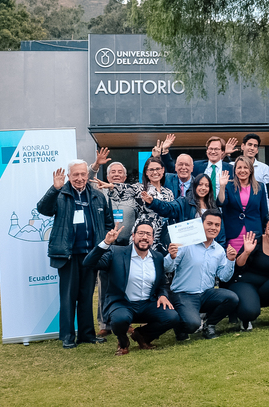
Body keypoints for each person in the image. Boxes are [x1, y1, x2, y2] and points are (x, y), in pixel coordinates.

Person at [37, 160, 114, 349]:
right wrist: (54, 189)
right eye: (75, 175)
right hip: (69, 255)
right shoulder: (61, 194)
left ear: (87, 176)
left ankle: (87, 334)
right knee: (68, 297)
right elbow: (43, 209)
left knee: (87, 296)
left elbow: (108, 222)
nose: (79, 178)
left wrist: (103, 241)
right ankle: (67, 336)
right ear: (69, 176)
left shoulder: (97, 196)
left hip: (91, 255)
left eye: (82, 174)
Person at [83, 222, 179, 355]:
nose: (144, 237)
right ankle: (123, 343)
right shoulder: (116, 252)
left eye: (148, 234)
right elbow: (88, 263)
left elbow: (162, 283)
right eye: (141, 233)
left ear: (152, 239)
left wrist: (163, 295)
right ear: (133, 236)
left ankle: (142, 336)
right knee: (119, 319)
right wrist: (106, 242)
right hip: (122, 303)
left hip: (147, 303)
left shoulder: (157, 257)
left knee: (172, 317)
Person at [163, 210, 239, 340]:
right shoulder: (185, 245)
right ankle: (181, 326)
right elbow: (167, 268)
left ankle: (209, 325)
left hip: (206, 294)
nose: (213, 228)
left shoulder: (219, 251)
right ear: (201, 224)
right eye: (209, 223)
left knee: (232, 298)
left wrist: (231, 261)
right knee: (192, 325)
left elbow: (224, 277)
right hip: (184, 294)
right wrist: (171, 256)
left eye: (217, 225)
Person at [86, 149, 136, 338]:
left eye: (119, 172)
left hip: (127, 246)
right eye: (112, 172)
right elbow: (88, 179)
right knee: (105, 285)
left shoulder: (131, 193)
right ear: (106, 176)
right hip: (107, 246)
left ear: (125, 176)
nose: (116, 174)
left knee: (128, 285)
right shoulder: (99, 192)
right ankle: (105, 323)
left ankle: (127, 321)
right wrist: (96, 165)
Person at [93, 156, 174, 255]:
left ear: (163, 170)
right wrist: (112, 186)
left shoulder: (169, 192)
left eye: (157, 169)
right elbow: (124, 188)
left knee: (158, 263)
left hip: (162, 233)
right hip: (143, 232)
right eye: (151, 169)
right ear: (146, 172)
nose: (155, 172)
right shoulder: (139, 188)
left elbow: (171, 212)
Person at [142, 174, 224, 248]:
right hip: (188, 247)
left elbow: (221, 233)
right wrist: (153, 202)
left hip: (208, 247)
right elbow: (169, 208)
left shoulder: (213, 207)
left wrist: (220, 248)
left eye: (207, 185)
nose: (203, 188)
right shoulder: (184, 202)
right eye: (200, 184)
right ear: (194, 186)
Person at [217, 156, 269, 253]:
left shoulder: (260, 187)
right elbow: (221, 203)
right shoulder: (229, 186)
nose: (242, 170)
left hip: (254, 234)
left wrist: (265, 232)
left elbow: (264, 212)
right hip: (233, 233)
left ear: (250, 170)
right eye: (239, 167)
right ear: (235, 170)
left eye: (245, 167)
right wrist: (222, 187)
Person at [161, 135, 235, 199]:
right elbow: (177, 171)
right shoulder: (197, 166)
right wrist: (165, 152)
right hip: (200, 210)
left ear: (222, 151)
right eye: (210, 149)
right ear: (206, 151)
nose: (213, 152)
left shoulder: (230, 169)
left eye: (216, 149)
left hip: (223, 210)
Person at [224, 134, 269, 211]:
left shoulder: (264, 168)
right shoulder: (231, 166)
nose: (252, 148)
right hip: (234, 211)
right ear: (243, 146)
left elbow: (267, 193)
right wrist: (224, 154)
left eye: (255, 146)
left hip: (255, 212)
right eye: (249, 145)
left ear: (257, 150)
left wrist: (267, 211)